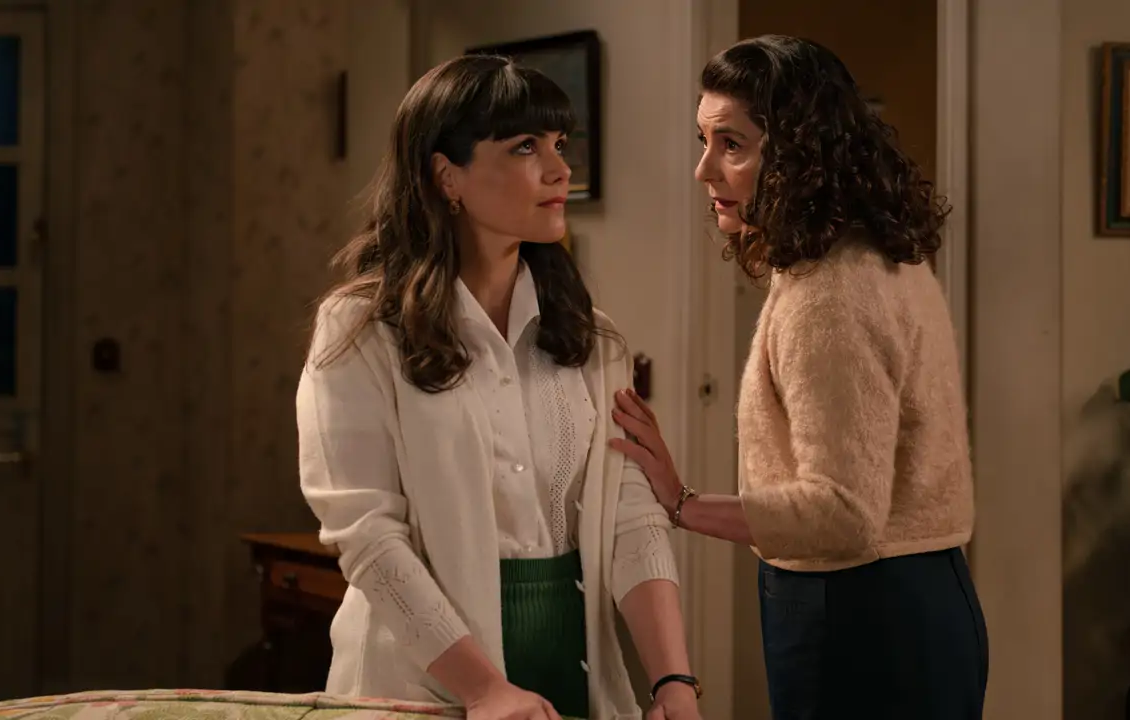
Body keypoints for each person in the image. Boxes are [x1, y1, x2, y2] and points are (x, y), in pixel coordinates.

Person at [297, 55, 701, 720]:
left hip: (576, 675)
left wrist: (673, 683)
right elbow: (368, 536)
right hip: (426, 687)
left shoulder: (593, 339)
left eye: (560, 144)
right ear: (445, 174)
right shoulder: (361, 331)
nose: (559, 169)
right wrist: (484, 689)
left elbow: (632, 519)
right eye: (524, 147)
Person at [609, 35, 988, 720]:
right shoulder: (877, 256)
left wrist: (682, 503)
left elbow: (843, 514)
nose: (703, 169)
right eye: (703, 140)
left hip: (863, 616)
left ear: (798, 155)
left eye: (732, 144)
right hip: (912, 600)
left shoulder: (831, 294)